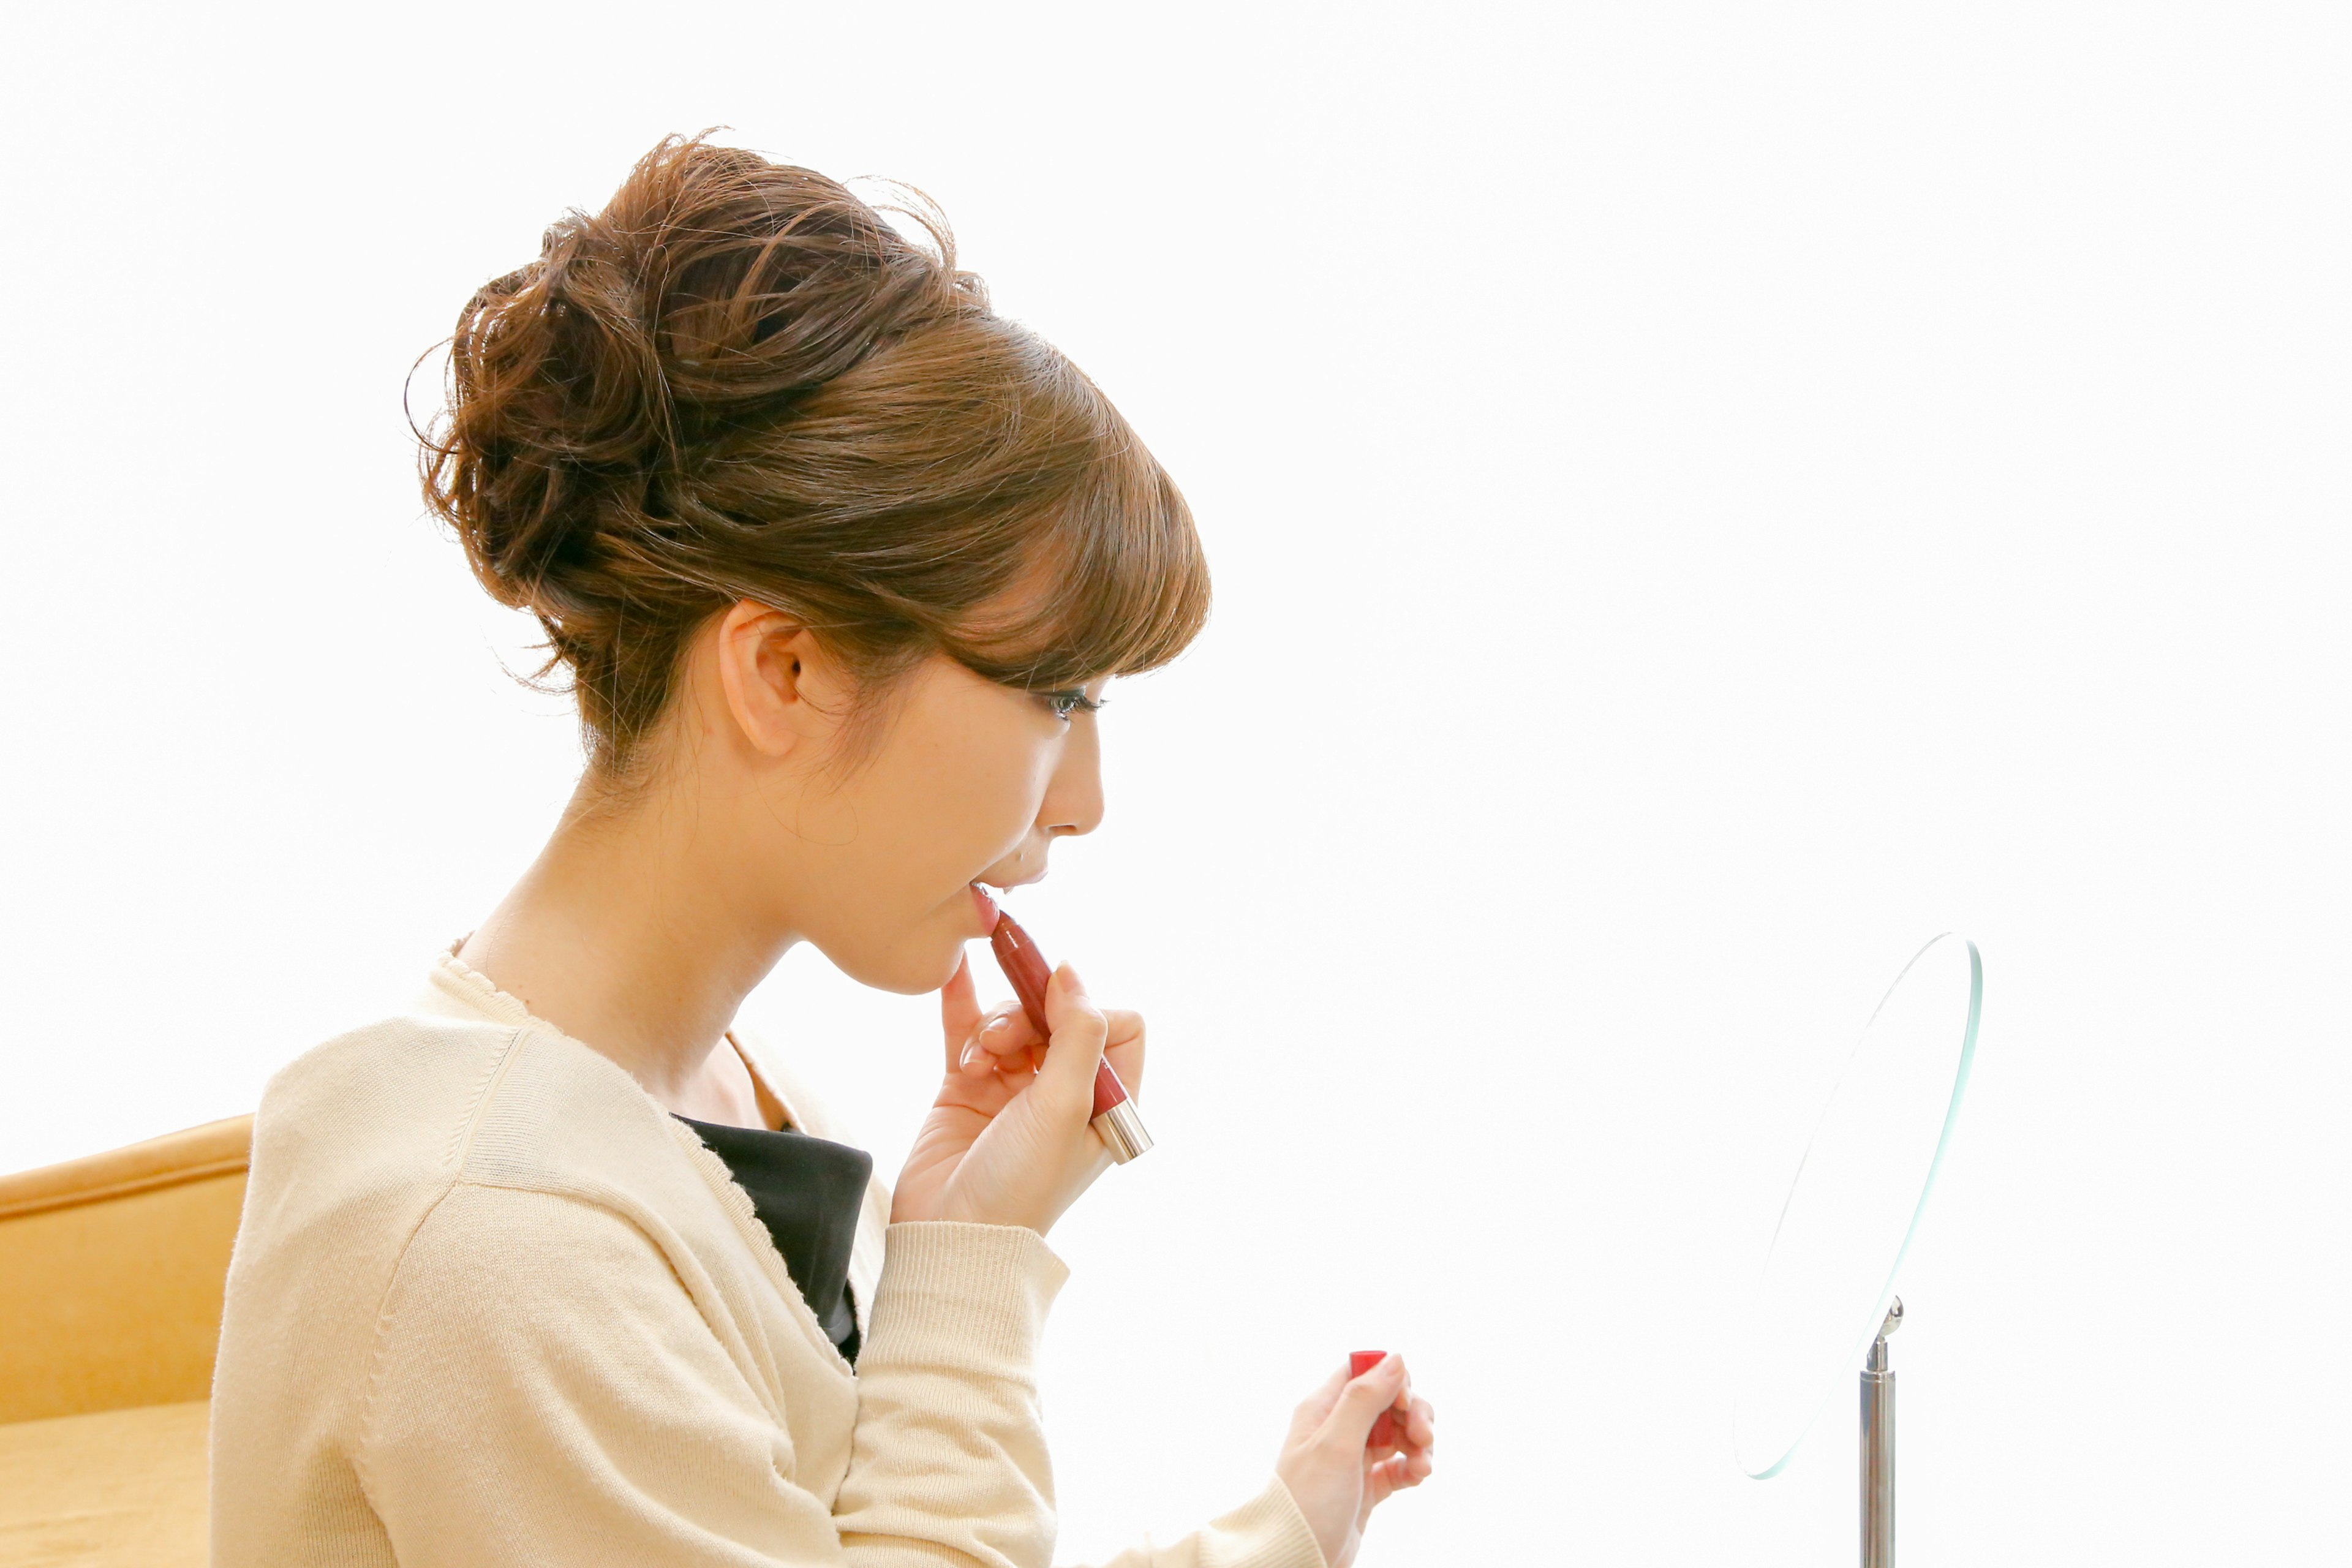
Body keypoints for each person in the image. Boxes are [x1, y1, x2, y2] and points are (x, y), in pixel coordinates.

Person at [209, 134, 1434, 1568]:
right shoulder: (492, 1233)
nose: (1087, 797)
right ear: (784, 671)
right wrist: (967, 1276)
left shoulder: (713, 1095)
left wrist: (1283, 1526)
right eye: (1057, 691)